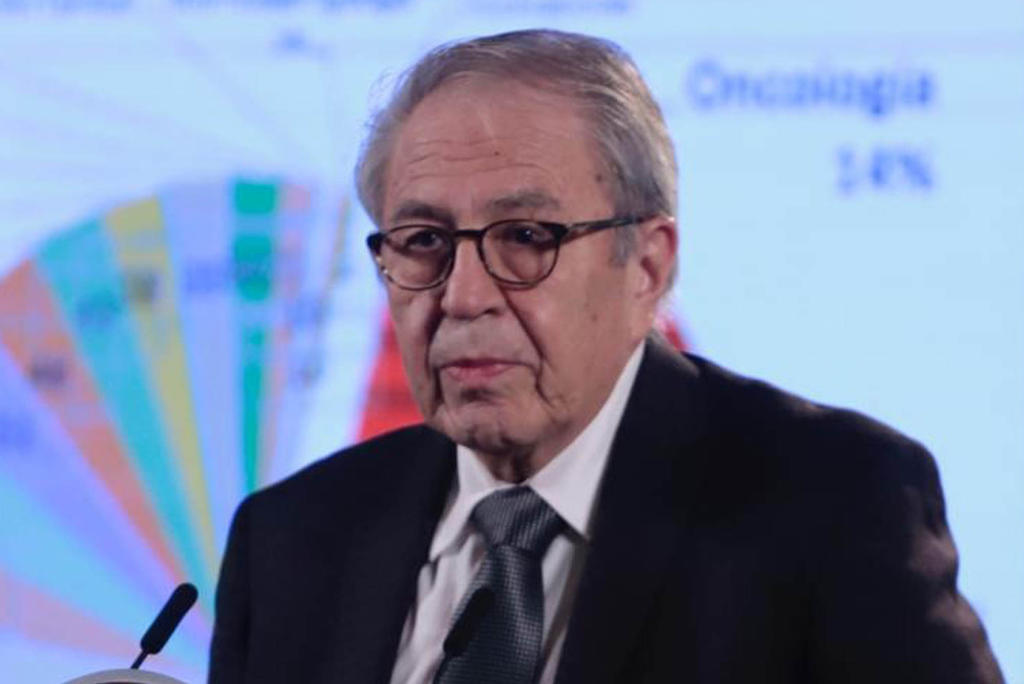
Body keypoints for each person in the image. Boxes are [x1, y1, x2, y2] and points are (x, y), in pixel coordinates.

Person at [209, 29, 1003, 683]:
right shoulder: (292, 538)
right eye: (423, 243)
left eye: (527, 238)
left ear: (648, 266)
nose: (464, 296)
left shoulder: (833, 500)